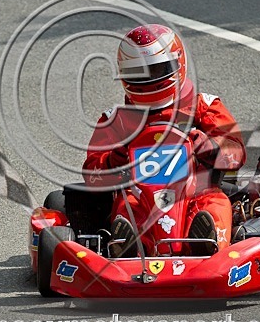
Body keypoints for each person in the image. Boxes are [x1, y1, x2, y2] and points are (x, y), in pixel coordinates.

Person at [83, 24, 246, 256]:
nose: (148, 79)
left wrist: (210, 146)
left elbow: (236, 151)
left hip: (196, 189)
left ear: (177, 65)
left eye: (156, 70)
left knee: (214, 204)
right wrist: (113, 159)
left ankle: (205, 245)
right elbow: (92, 172)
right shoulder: (116, 119)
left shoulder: (202, 106)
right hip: (138, 193)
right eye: (139, 72)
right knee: (126, 208)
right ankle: (130, 248)